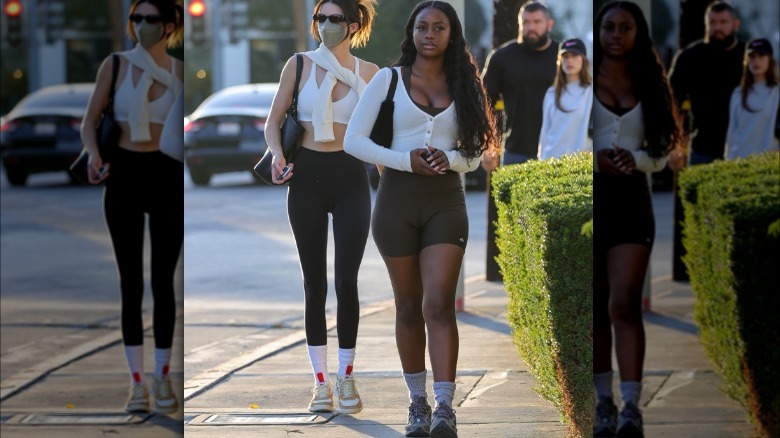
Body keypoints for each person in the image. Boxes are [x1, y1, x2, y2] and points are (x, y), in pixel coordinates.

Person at [344, 2, 499, 436]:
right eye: (422, 27)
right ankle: (417, 404)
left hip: (446, 204)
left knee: (437, 303)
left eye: (439, 27)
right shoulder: (387, 81)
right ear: (411, 32)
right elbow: (354, 140)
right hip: (396, 203)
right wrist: (403, 160)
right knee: (409, 306)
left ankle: (446, 408)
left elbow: (475, 152)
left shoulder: (466, 83)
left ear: (452, 34)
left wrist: (448, 158)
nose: (430, 34)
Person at [264, 0, 379, 415]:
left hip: (351, 178)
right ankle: (319, 383)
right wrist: (277, 154)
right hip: (306, 178)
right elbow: (273, 121)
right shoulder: (298, 65)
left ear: (352, 24)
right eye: (320, 18)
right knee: (315, 285)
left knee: (346, 282)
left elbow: (381, 134)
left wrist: (395, 175)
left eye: (333, 19)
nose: (325, 25)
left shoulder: (370, 74)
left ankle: (347, 377)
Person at [80, 0, 184, 414]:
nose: (143, 25)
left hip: (166, 175)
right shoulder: (116, 64)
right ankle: (136, 384)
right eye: (137, 18)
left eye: (152, 19)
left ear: (169, 24)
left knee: (163, 283)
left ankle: (162, 379)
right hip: (122, 174)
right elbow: (90, 120)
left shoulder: (178, 72)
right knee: (130, 284)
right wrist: (92, 154)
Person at [591, 2, 684, 437]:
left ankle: (631, 406)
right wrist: (594, 163)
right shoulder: (582, 78)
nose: (615, 34)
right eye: (609, 27)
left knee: (624, 303)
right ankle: (602, 402)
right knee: (595, 309)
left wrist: (638, 159)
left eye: (625, 27)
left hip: (631, 199)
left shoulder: (650, 78)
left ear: (637, 32)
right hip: (591, 201)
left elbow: (664, 149)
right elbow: (563, 136)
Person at [481, 0, 558, 169]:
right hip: (515, 151)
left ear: (549, 24)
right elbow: (483, 103)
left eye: (537, 22)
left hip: (557, 149)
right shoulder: (502, 57)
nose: (531, 27)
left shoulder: (563, 58)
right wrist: (488, 145)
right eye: (526, 22)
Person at [668, 1, 745, 166]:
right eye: (712, 23)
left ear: (735, 24)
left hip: (743, 146)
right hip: (703, 147)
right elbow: (671, 102)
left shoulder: (749, 57)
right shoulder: (689, 58)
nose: (717, 28)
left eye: (723, 22)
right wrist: (675, 145)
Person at [538, 37, 593, 159]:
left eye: (574, 56)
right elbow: (545, 133)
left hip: (580, 166)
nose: (569, 61)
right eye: (565, 57)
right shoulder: (551, 93)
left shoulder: (591, 92)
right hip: (551, 163)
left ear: (583, 60)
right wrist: (541, 161)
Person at [724, 38, 779, 160]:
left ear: (769, 59)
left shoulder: (777, 92)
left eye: (761, 55)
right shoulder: (738, 93)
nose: (756, 61)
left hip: (768, 166)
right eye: (752, 56)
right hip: (739, 163)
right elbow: (732, 134)